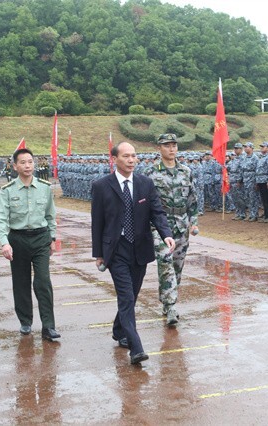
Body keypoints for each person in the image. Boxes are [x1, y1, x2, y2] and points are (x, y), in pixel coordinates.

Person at [91, 142, 175, 365]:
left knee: (132, 295)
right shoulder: (101, 186)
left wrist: (166, 233)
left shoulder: (145, 184)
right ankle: (136, 347)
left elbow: (157, 212)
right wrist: (98, 253)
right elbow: (97, 222)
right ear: (115, 159)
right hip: (115, 249)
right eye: (126, 156)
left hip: (139, 248)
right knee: (126, 297)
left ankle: (119, 330)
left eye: (134, 156)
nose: (131, 160)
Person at [0, 148, 60, 341]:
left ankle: (49, 326)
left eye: (30, 162)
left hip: (41, 238)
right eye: (23, 162)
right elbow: (1, 219)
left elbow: (51, 215)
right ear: (15, 166)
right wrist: (4, 243)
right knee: (21, 282)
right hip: (18, 239)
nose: (27, 165)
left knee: (43, 281)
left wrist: (53, 238)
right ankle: (25, 321)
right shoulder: (7, 191)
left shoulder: (44, 187)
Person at [143, 134, 199, 326]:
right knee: (165, 261)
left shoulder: (186, 171)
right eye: (167, 146)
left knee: (177, 266)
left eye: (174, 145)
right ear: (160, 148)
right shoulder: (149, 172)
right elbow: (143, 201)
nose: (171, 149)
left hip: (181, 224)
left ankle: (167, 301)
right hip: (160, 225)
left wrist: (194, 221)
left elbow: (193, 198)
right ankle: (171, 305)